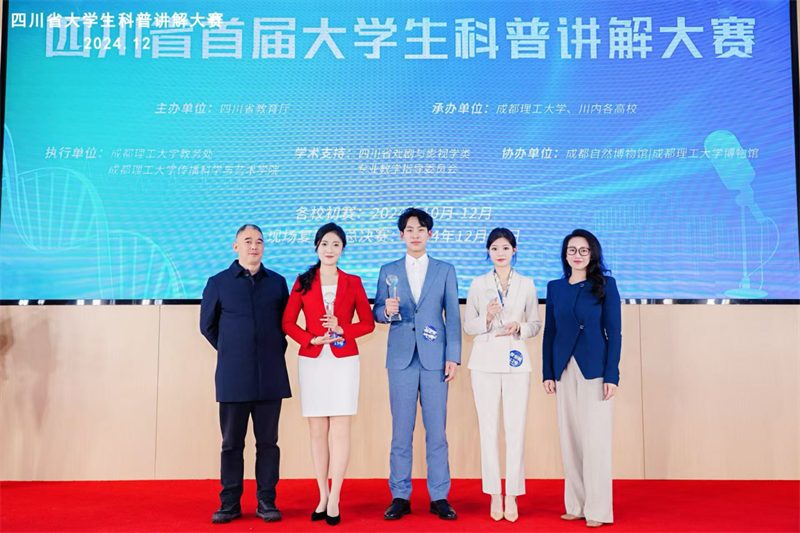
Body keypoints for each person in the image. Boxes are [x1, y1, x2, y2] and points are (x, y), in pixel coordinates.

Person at [282, 223, 375, 526]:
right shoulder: (303, 282)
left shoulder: (353, 282)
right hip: (313, 360)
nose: (330, 249)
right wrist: (312, 338)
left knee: (341, 430)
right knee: (317, 430)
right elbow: (287, 322)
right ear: (316, 247)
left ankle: (335, 497)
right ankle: (322, 495)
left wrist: (341, 329)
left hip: (344, 362)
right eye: (324, 244)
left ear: (343, 249)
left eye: (336, 244)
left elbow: (368, 323)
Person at [373, 208, 461, 521]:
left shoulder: (445, 270)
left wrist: (453, 356)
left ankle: (439, 496)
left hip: (435, 360)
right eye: (409, 230)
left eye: (420, 229)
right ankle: (400, 495)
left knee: (437, 432)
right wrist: (386, 310)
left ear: (429, 234)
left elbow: (453, 315)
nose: (415, 235)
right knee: (401, 431)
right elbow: (377, 312)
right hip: (401, 359)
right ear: (401, 235)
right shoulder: (388, 270)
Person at [200, 224, 291, 524]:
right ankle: (229, 502)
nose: (254, 246)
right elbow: (207, 327)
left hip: (270, 376)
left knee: (268, 443)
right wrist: (232, 350)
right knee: (231, 444)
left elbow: (285, 325)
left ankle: (266, 500)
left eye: (259, 241)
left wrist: (270, 349)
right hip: (233, 376)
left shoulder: (277, 283)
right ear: (236, 246)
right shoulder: (218, 283)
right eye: (248, 241)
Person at [542, 229, 622, 528]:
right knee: (570, 439)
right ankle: (576, 505)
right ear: (565, 254)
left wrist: (612, 374)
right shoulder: (554, 287)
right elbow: (550, 332)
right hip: (563, 369)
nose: (577, 255)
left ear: (592, 254)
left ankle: (598, 510)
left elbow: (614, 333)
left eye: (583, 250)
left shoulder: (606, 286)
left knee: (595, 440)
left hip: (595, 369)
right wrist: (548, 372)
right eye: (572, 250)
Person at [463, 228, 542, 522]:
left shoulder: (527, 284)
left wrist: (520, 327)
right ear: (488, 251)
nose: (500, 253)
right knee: (488, 429)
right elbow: (468, 326)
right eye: (494, 248)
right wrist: (486, 316)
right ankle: (495, 493)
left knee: (515, 429)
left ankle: (512, 494)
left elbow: (536, 324)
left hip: (516, 362)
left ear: (514, 250)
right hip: (484, 362)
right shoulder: (478, 284)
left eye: (505, 248)